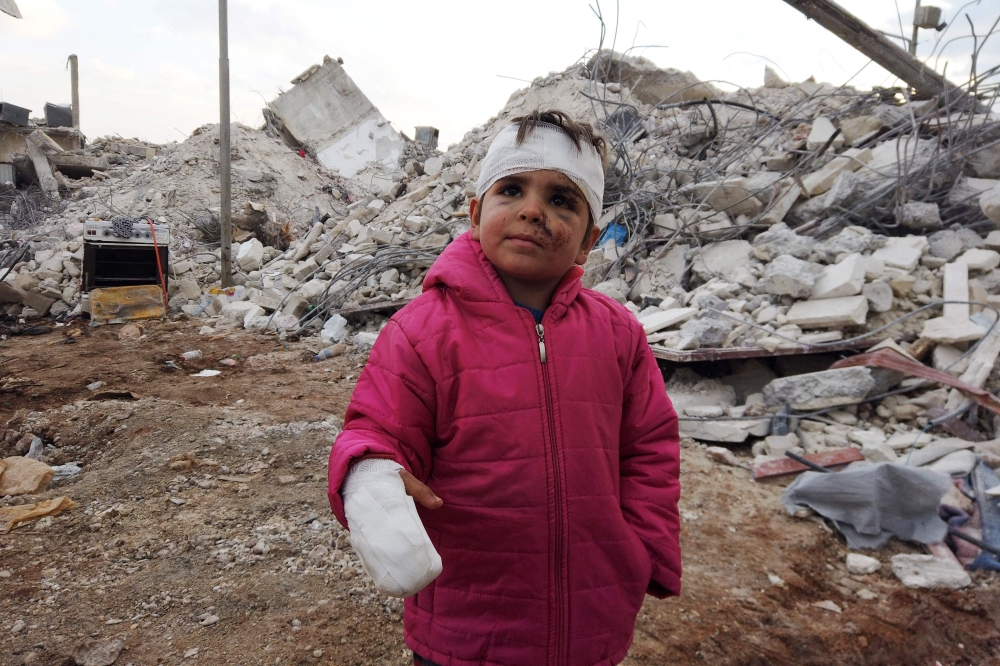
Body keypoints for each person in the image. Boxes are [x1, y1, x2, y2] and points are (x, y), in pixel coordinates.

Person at [327, 109, 681, 666]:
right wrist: (368, 473)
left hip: (592, 620)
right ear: (475, 215)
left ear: (588, 242)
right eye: (512, 190)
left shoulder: (618, 334)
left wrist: (640, 551)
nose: (533, 210)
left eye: (562, 199)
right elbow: (376, 429)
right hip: (466, 627)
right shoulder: (422, 331)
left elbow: (650, 447)